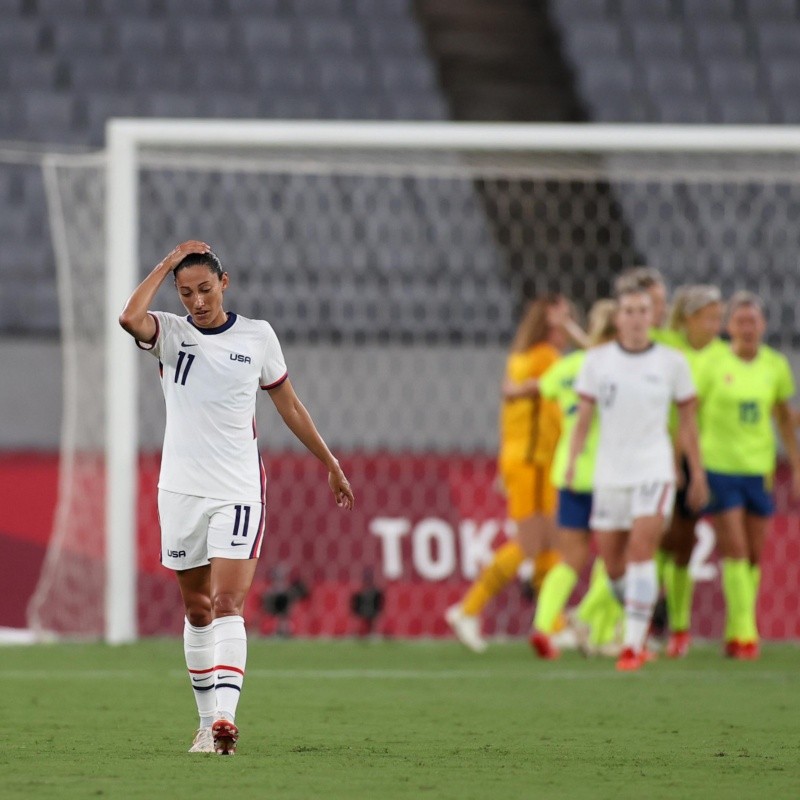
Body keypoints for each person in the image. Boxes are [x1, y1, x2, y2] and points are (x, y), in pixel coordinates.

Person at [118, 240, 354, 754]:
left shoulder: (257, 336)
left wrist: (330, 462)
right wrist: (165, 263)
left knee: (227, 603)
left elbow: (289, 405)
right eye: (186, 292)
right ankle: (205, 724)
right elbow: (128, 317)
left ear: (225, 284)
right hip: (180, 488)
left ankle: (225, 717)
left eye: (205, 289)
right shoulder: (170, 333)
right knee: (197, 610)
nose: (197, 301)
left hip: (238, 488)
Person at [566, 283, 708, 671]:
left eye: (642, 310)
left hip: (653, 468)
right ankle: (643, 611)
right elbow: (584, 418)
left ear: (653, 316)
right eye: (627, 310)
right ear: (617, 317)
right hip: (610, 471)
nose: (634, 317)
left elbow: (688, 424)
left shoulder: (671, 362)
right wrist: (572, 460)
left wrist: (695, 472)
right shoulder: (597, 361)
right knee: (612, 562)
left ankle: (632, 644)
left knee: (642, 552)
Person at [445, 295, 575, 652]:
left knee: (549, 542)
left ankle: (554, 623)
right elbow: (557, 412)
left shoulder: (519, 357)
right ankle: (468, 610)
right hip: (535, 461)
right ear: (551, 325)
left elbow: (514, 414)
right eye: (565, 319)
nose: (569, 325)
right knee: (532, 542)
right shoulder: (546, 357)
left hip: (524, 459)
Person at [695, 291, 800, 659]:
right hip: (719, 468)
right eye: (740, 321)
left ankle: (735, 628)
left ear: (764, 326)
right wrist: (693, 466)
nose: (747, 327)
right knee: (735, 548)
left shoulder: (775, 366)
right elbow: (690, 413)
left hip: (759, 470)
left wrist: (798, 467)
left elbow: (783, 419)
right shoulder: (711, 363)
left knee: (754, 555)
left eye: (753, 321)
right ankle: (746, 632)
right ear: (728, 327)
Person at [525, 299, 624, 659]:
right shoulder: (622, 370)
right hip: (609, 472)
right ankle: (593, 625)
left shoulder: (569, 366)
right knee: (617, 557)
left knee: (570, 557)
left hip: (569, 470)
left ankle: (543, 626)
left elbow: (535, 389)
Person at [657, 285, 726, 658]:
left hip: (693, 456)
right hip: (651, 452)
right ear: (689, 318)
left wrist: (693, 467)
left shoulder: (720, 357)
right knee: (645, 536)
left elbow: (694, 417)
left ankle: (678, 627)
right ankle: (619, 620)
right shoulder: (663, 344)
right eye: (711, 318)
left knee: (684, 540)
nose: (717, 325)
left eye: (720, 318)